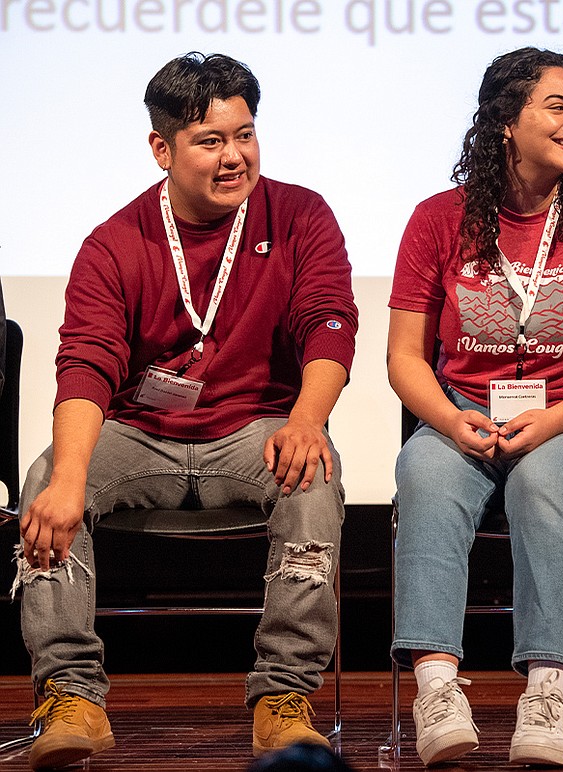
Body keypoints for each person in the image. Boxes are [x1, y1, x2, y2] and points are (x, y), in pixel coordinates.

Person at [14, 53, 357, 770]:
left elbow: (329, 322)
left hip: (256, 432)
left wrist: (306, 420)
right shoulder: (114, 243)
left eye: (246, 134)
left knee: (313, 475)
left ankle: (283, 699)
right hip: (140, 435)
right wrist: (71, 477)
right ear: (162, 149)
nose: (235, 157)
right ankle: (71, 696)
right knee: (48, 480)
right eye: (211, 141)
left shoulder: (300, 215)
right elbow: (86, 363)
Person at [386, 47, 563, 768]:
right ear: (506, 121)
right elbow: (405, 359)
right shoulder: (438, 220)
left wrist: (552, 422)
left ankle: (547, 693)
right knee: (424, 473)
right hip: (467, 413)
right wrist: (447, 421)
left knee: (544, 480)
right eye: (558, 107)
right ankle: (438, 689)